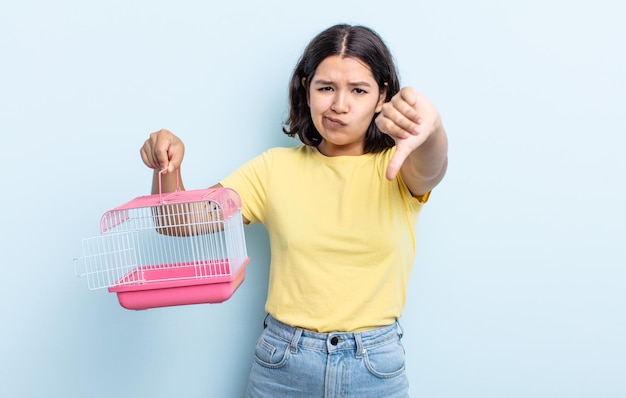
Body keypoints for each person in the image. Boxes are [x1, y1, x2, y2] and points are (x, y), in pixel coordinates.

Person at [140, 23, 447, 398]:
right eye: (326, 88)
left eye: (359, 90)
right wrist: (166, 166)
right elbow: (176, 222)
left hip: (374, 365)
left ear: (382, 95)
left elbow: (432, 166)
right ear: (306, 88)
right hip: (283, 364)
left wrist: (431, 130)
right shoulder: (274, 169)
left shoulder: (399, 167)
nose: (339, 105)